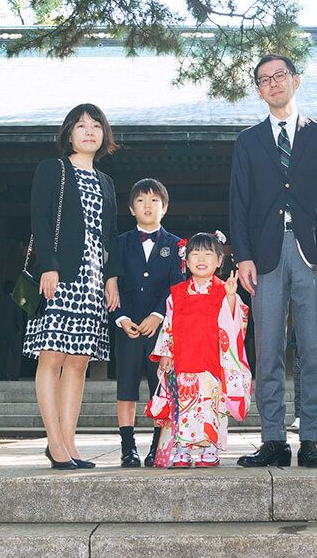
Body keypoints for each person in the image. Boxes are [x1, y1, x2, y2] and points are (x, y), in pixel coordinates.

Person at [230, 53, 317, 469]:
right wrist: (242, 256)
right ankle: (273, 439)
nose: (273, 83)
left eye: (280, 75)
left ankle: (313, 438)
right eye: (264, 79)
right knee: (268, 350)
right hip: (263, 256)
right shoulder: (248, 141)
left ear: (295, 81)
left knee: (315, 348)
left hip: (312, 254)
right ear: (259, 90)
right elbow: (239, 204)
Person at [24, 103, 122, 470]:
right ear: (69, 134)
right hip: (60, 275)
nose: (89, 131)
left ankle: (69, 441)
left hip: (94, 279)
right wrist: (47, 265)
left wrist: (112, 277)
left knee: (79, 362)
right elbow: (40, 218)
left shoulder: (106, 181)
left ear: (104, 135)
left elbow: (109, 234)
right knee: (52, 357)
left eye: (96, 126)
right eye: (81, 126)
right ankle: (54, 442)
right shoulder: (54, 170)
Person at [147, 232, 252, 468]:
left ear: (219, 261)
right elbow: (169, 325)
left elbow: (235, 322)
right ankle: (182, 450)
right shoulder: (176, 293)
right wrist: (166, 352)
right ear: (186, 260)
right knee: (182, 407)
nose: (201, 258)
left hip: (212, 360)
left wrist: (232, 298)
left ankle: (209, 449)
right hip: (183, 358)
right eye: (195, 253)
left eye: (208, 253)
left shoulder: (224, 289)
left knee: (210, 406)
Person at [110, 178, 185, 467]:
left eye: (155, 200)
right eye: (141, 200)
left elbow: (177, 286)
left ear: (164, 208)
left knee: (160, 388)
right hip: (127, 326)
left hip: (162, 330)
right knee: (126, 387)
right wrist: (122, 318)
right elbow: (111, 283)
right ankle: (127, 447)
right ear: (131, 208)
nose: (148, 206)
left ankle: (157, 447)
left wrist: (158, 315)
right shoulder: (119, 243)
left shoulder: (177, 245)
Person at [0, 279, 27, 381]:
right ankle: (15, 375)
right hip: (14, 332)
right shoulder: (15, 300)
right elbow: (18, 316)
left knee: (2, 354)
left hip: (1, 331)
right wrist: (20, 329)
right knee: (16, 355)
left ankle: (2, 375)